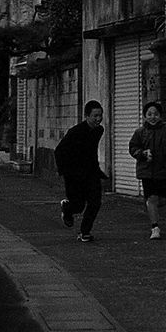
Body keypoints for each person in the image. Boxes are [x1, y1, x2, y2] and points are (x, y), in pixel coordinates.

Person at [54, 100, 106, 242]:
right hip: (74, 174)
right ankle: (67, 208)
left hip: (91, 173)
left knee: (95, 202)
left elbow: (91, 152)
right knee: (78, 206)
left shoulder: (99, 130)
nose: (98, 119)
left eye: (100, 115)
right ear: (87, 116)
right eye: (95, 116)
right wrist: (63, 171)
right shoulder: (75, 132)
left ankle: (85, 232)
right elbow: (59, 151)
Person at [129, 101, 166, 240]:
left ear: (160, 116)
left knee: (162, 200)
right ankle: (155, 227)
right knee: (152, 198)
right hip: (146, 171)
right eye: (149, 114)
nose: (153, 117)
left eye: (156, 114)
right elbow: (133, 148)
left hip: (163, 171)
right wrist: (142, 154)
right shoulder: (140, 132)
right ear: (145, 116)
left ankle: (154, 213)